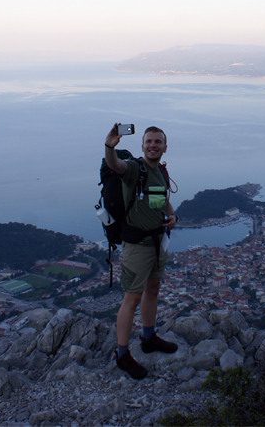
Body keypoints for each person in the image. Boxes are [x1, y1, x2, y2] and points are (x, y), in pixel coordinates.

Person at [104, 123, 179, 379]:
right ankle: (122, 355)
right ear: (142, 145)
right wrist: (109, 147)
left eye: (158, 142)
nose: (153, 145)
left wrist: (173, 216)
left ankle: (148, 338)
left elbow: (162, 200)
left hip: (158, 242)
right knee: (131, 299)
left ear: (165, 147)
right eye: (149, 141)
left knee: (153, 289)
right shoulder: (136, 168)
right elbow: (116, 165)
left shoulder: (160, 172)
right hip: (137, 246)